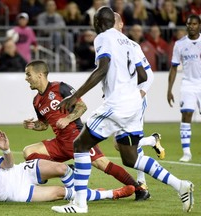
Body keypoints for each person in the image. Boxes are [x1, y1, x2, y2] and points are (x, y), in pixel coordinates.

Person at [51, 6, 194, 213]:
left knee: (80, 144)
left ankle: (79, 204)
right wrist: (123, 84)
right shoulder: (131, 43)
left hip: (117, 104)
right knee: (131, 158)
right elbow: (143, 77)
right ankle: (179, 184)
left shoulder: (102, 37)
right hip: (134, 105)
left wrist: (75, 96)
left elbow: (102, 68)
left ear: (99, 22)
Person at [23, 59, 149, 201]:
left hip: (77, 137)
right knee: (28, 152)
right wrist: (34, 125)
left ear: (40, 75)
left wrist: (68, 118)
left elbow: (82, 106)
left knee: (103, 164)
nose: (26, 78)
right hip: (60, 142)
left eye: (29, 74)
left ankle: (139, 189)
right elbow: (44, 124)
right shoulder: (36, 101)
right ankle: (65, 169)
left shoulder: (60, 87)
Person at [0, 121, 135, 205]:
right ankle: (110, 194)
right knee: (61, 193)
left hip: (19, 173)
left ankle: (82, 196)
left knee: (61, 168)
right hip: (14, 192)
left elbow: (8, 166)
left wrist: (6, 150)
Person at [113, 12, 165, 187]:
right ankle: (152, 140)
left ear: (121, 25)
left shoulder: (132, 46)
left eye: (112, 23)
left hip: (134, 99)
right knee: (118, 144)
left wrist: (140, 94)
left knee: (129, 143)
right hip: (119, 102)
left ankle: (141, 184)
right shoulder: (108, 46)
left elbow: (148, 75)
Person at [167, 14, 201, 162]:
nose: (191, 26)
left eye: (194, 24)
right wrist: (169, 89)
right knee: (186, 115)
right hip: (188, 84)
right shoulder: (180, 44)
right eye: (189, 24)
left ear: (199, 25)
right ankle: (186, 152)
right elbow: (174, 67)